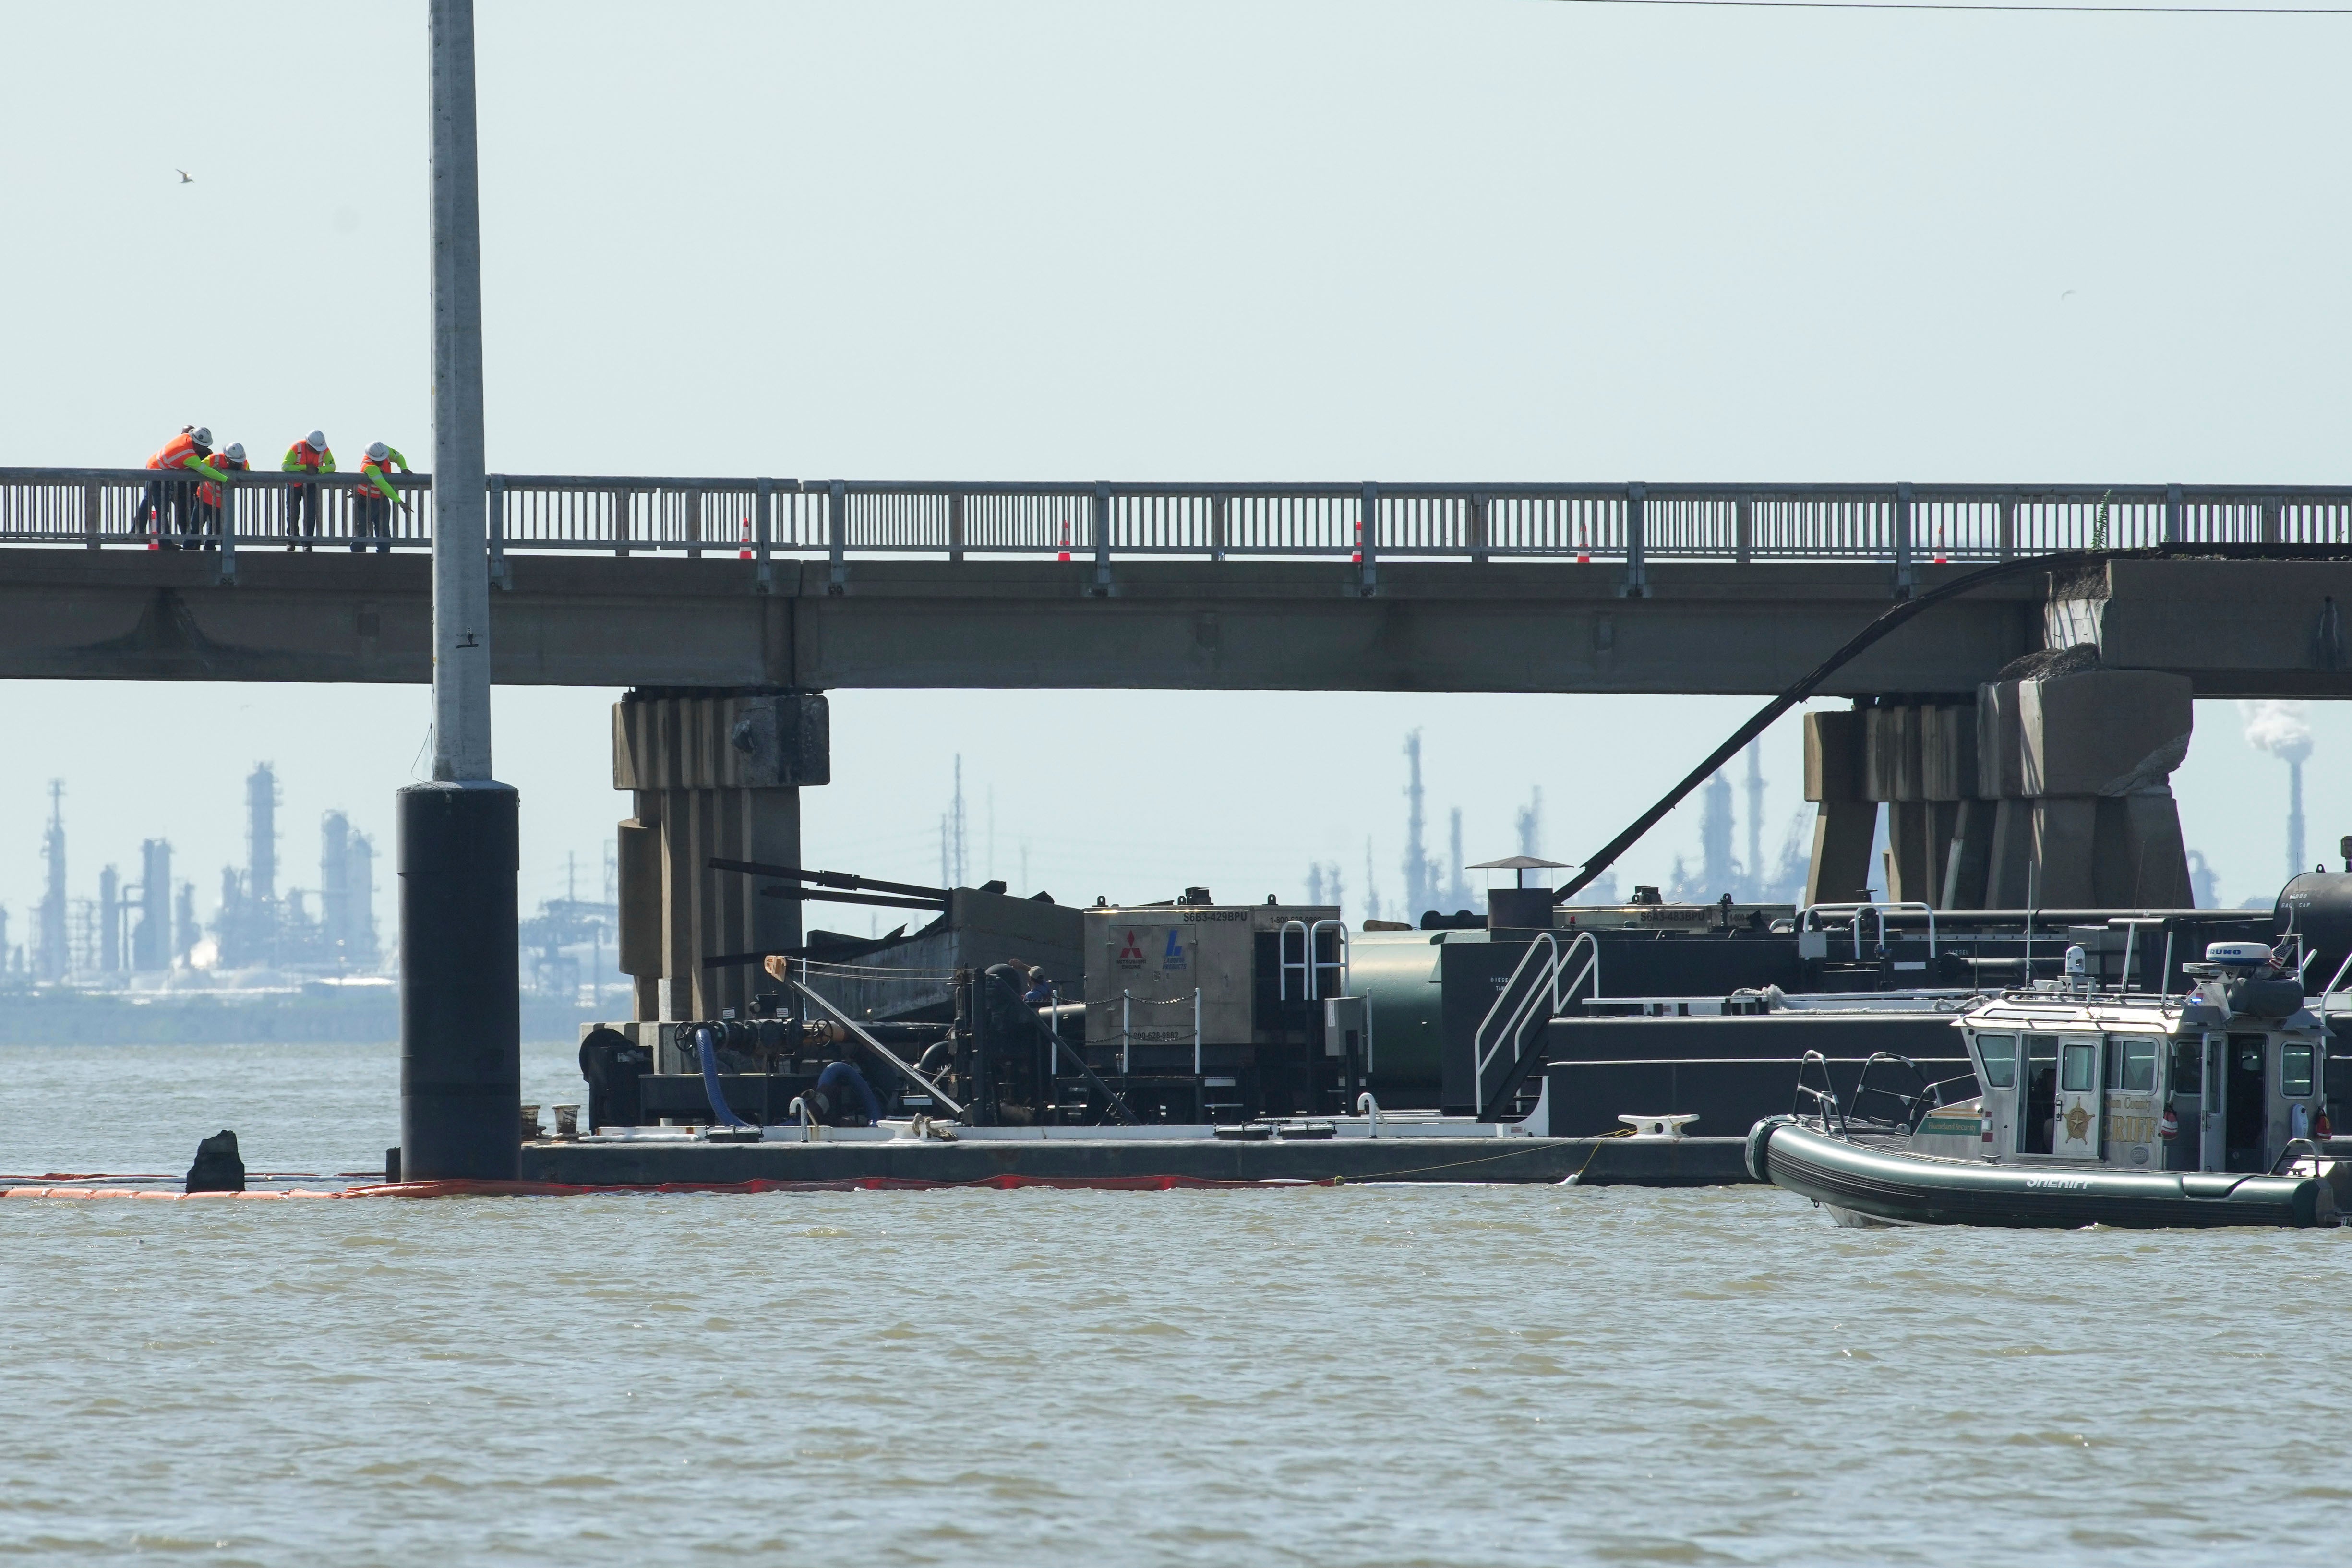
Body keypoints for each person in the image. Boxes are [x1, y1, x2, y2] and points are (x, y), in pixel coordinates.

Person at [132, 426, 225, 549]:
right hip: (159, 473)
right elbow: (205, 470)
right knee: (162, 509)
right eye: (203, 446)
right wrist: (226, 479)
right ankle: (164, 543)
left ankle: (138, 530)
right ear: (195, 443)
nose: (205, 448)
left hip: (157, 468)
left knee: (150, 502)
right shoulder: (188, 455)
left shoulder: (185, 438)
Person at [280, 430, 334, 551]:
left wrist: (318, 470)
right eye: (315, 449)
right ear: (308, 444)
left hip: (310, 485)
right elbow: (285, 467)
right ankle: (292, 540)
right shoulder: (296, 447)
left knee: (310, 514)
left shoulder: (324, 450)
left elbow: (332, 466)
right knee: (293, 513)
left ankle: (307, 543)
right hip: (294, 485)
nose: (318, 451)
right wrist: (305, 468)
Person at [188, 442, 248, 551]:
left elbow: (247, 479)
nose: (237, 465)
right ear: (227, 458)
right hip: (204, 497)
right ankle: (190, 548)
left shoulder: (244, 465)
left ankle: (210, 550)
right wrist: (212, 472)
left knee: (215, 529)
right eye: (234, 462)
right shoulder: (214, 459)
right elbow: (198, 468)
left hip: (221, 502)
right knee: (195, 525)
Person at [352, 441, 409, 554]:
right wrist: (400, 502)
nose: (382, 461)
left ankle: (384, 554)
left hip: (382, 499)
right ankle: (358, 555)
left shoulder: (385, 450)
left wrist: (404, 468)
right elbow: (383, 486)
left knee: (384, 529)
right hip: (365, 500)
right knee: (362, 530)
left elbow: (399, 457)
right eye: (378, 460)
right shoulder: (369, 466)